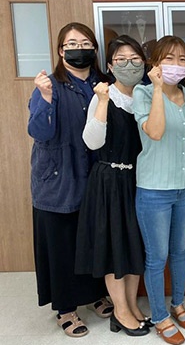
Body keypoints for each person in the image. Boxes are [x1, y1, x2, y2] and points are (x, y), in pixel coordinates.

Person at [27, 22, 114, 338]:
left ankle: (95, 295)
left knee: (92, 241)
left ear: (93, 48)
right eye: (71, 43)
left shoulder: (102, 84)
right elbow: (39, 132)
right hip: (57, 180)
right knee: (62, 246)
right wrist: (46, 98)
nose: (79, 48)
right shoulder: (48, 85)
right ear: (61, 51)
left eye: (85, 42)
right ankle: (66, 309)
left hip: (94, 177)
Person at [74, 35, 150, 336]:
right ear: (109, 65)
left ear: (144, 64)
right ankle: (119, 310)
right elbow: (91, 141)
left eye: (135, 59)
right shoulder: (103, 95)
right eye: (121, 59)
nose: (128, 64)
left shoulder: (145, 95)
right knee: (113, 248)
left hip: (137, 180)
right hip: (108, 181)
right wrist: (103, 101)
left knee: (133, 248)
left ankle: (131, 305)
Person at [132, 35, 185, 345]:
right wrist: (158, 88)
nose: (176, 65)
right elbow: (156, 132)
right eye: (169, 59)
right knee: (157, 257)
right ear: (155, 63)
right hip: (154, 189)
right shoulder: (143, 93)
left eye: (182, 59)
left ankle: (179, 303)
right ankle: (159, 315)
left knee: (180, 251)